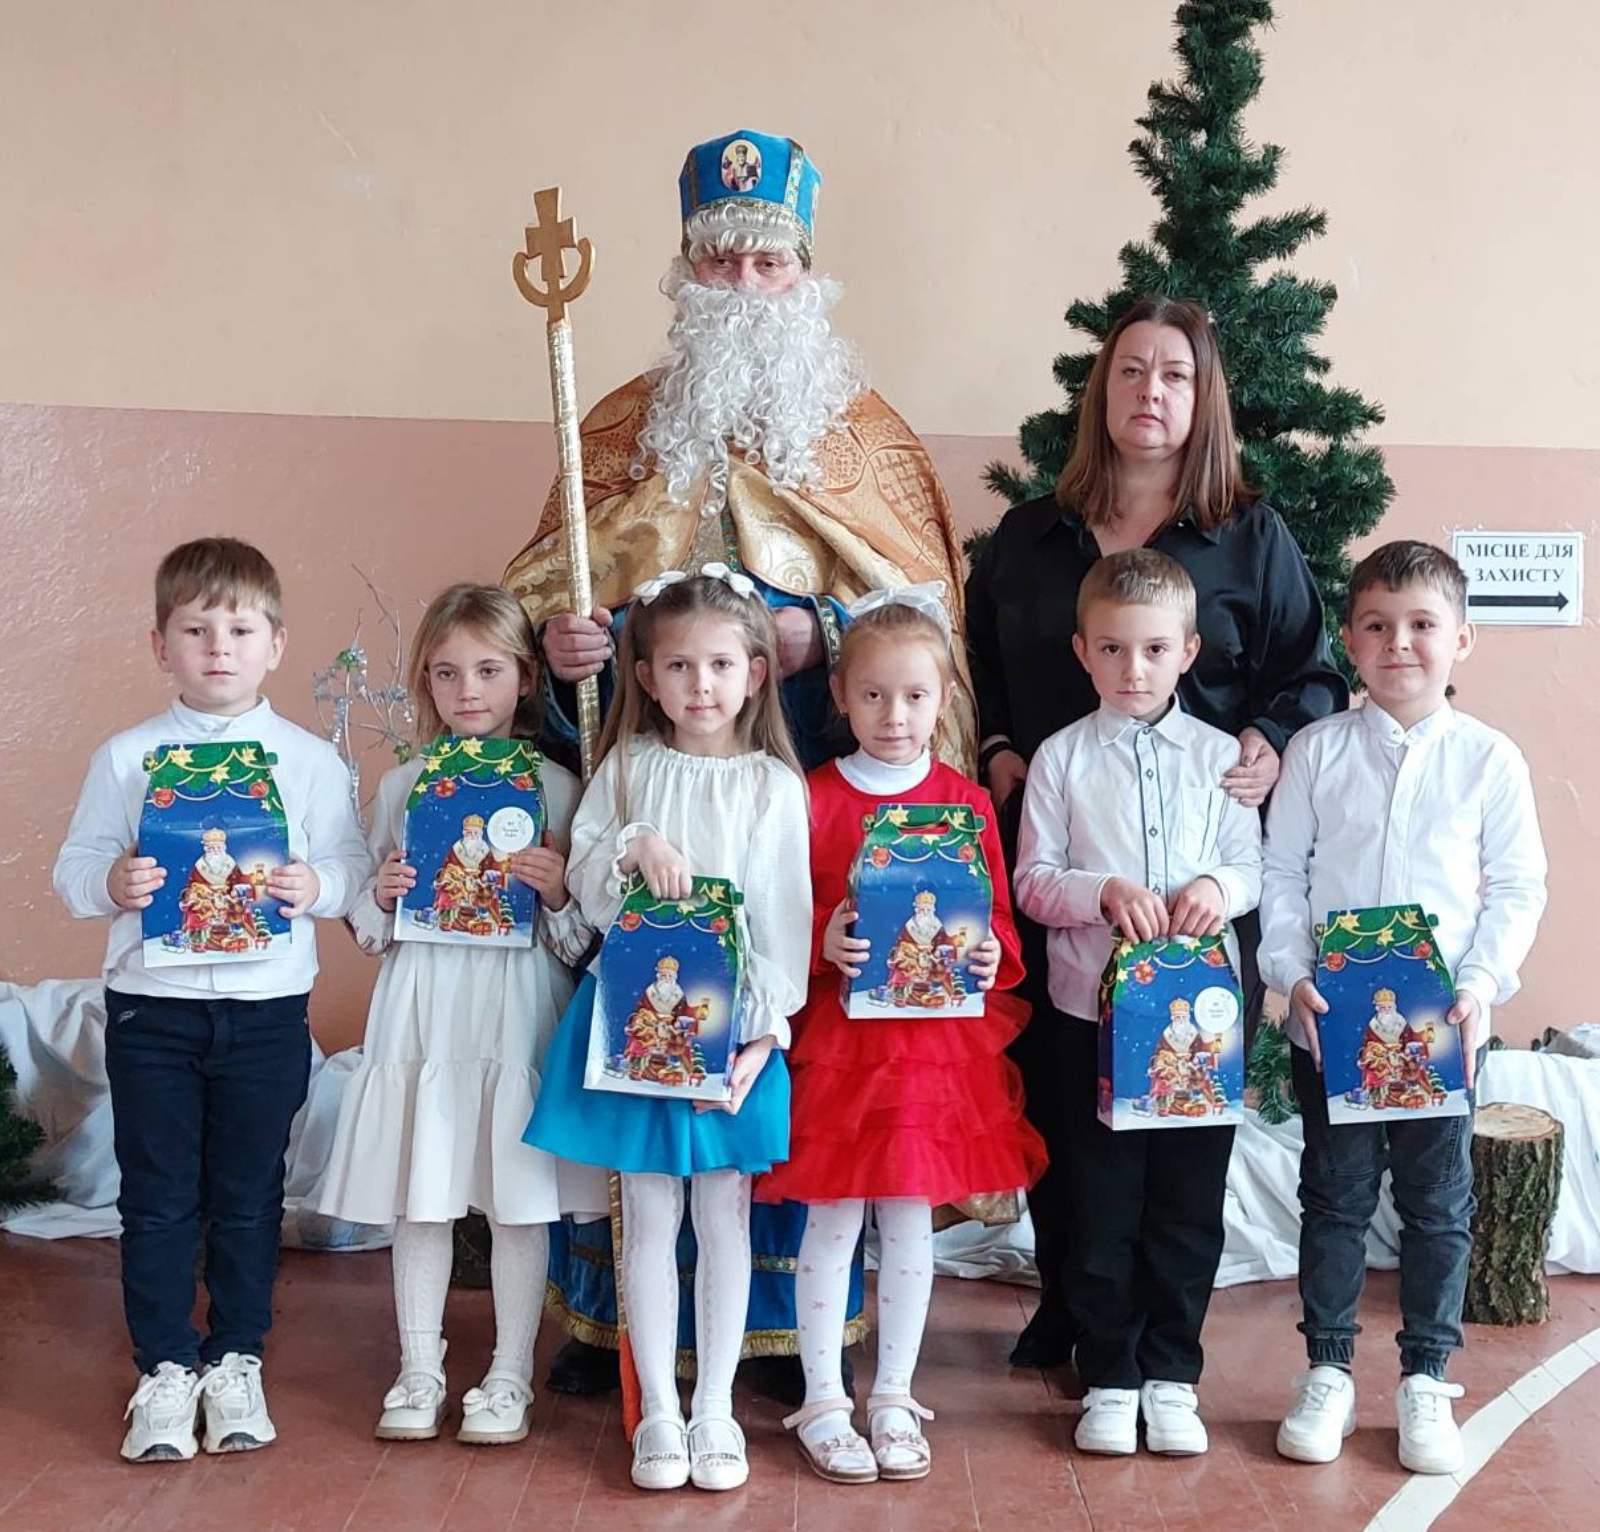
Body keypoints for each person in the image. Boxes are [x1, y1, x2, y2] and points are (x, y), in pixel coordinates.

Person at [505, 127, 978, 1399]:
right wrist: (563, 645)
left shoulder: (866, 436)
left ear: (807, 275)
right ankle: (619, 1331)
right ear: (684, 273)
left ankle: (784, 1337)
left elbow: (925, 615)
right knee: (641, 1051)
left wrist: (821, 630)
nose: (745, 286)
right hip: (651, 770)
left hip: (801, 785)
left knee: (776, 1035)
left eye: (769, 264)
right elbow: (544, 595)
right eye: (719, 262)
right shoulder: (618, 425)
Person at [965, 294, 1346, 1369]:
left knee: (1174, 1113)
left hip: (1194, 875)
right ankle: (1074, 1306)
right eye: (1131, 369)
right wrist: (999, 743)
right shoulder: (1030, 535)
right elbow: (975, 659)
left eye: (1174, 374)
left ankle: (1157, 1337)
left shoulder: (1249, 536)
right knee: (1060, 1088)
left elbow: (1311, 671)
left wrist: (1271, 737)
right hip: (1059, 852)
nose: (1151, 391)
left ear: (1201, 395)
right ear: (1103, 389)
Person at [52, 537, 370, 1463]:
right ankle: (162, 1367)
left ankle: (237, 1358)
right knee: (155, 1196)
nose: (218, 648)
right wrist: (112, 880)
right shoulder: (128, 758)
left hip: (266, 1012)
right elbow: (73, 870)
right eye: (196, 630)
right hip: (152, 1012)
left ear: (276, 644)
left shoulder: (306, 761)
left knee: (248, 1194)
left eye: (239, 630)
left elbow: (351, 868)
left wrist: (317, 886)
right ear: (161, 645)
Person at [1261, 541, 1547, 1474]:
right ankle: (1328, 1370)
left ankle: (1426, 1378)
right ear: (1349, 639)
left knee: (1437, 1204)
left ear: (1461, 638)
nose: (1399, 644)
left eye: (1422, 624)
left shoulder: (1488, 759)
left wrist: (1480, 983)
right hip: (1332, 1023)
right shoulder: (1316, 752)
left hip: (1445, 1029)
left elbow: (1517, 887)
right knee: (1335, 1197)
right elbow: (1281, 873)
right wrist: (1289, 969)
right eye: (1377, 626)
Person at [523, 568, 812, 1492]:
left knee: (723, 1219)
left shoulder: (773, 787)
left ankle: (715, 1406)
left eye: (721, 664)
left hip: (733, 1041)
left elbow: (783, 922)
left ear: (756, 674)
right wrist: (632, 842)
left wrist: (762, 1036)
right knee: (648, 1219)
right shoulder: (627, 768)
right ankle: (658, 1408)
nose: (700, 685)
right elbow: (589, 890)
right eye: (679, 665)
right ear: (645, 677)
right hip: (635, 1029)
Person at [756, 589, 1046, 1484]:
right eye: (874, 695)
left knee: (910, 1219)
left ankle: (893, 1396)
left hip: (931, 1054)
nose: (895, 715)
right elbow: (779, 914)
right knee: (833, 1218)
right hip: (844, 1050)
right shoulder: (810, 797)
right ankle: (823, 1399)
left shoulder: (964, 803)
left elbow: (998, 924)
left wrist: (981, 953)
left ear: (944, 699)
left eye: (916, 696)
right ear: (839, 696)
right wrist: (823, 941)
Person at [315, 584, 607, 1446]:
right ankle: (418, 1366)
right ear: (426, 684)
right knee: (423, 1195)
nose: (467, 690)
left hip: (514, 1013)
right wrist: (381, 893)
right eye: (446, 673)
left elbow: (579, 938)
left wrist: (556, 893)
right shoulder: (405, 785)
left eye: (487, 670)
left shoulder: (559, 787)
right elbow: (370, 931)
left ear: (525, 678)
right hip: (425, 1012)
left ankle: (510, 1372)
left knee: (518, 1199)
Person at [1014, 549, 1263, 1457]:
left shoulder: (1222, 759)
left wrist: (1216, 889)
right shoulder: (1061, 759)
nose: (1134, 670)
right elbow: (1033, 881)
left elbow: (1249, 864)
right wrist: (1102, 892)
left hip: (1199, 1034)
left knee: (1187, 1206)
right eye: (1113, 649)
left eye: (1155, 650)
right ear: (1083, 651)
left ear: (1188, 651)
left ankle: (1172, 1374)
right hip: (1094, 1023)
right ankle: (1110, 1375)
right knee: (1102, 1203)